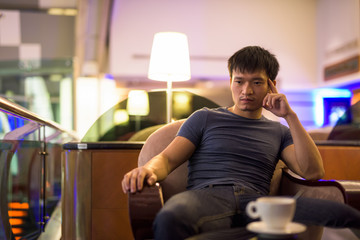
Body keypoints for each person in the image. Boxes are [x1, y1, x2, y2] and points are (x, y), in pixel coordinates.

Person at [122, 46, 360, 239]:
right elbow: (167, 158)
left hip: (259, 202)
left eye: (256, 82)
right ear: (230, 82)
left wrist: (290, 116)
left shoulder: (279, 131)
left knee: (346, 214)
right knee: (169, 218)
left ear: (271, 85)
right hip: (208, 197)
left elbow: (313, 172)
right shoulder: (204, 117)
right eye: (239, 81)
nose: (246, 90)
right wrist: (149, 169)